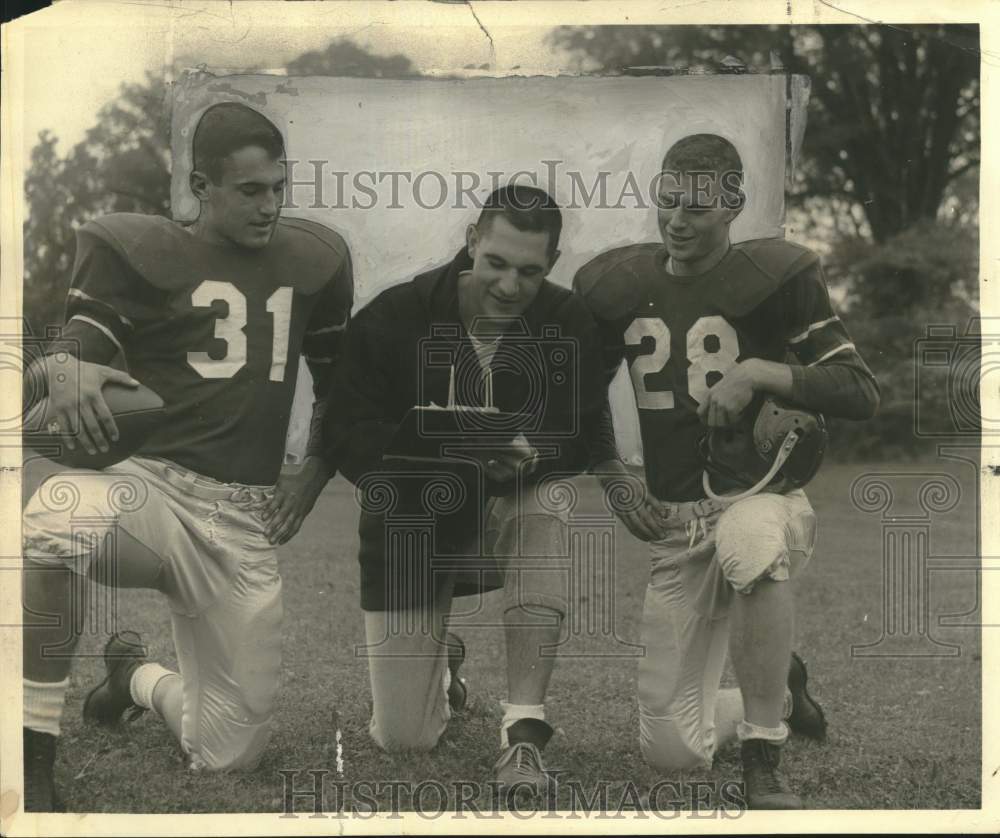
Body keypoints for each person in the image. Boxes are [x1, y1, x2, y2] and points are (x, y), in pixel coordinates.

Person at [21, 102, 353, 810]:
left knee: (228, 754)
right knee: (56, 517)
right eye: (250, 190)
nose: (269, 206)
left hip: (241, 521)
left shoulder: (316, 262)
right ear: (201, 186)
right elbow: (76, 358)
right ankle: (32, 745)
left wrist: (312, 474)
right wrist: (63, 366)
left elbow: (339, 391)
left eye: (279, 187)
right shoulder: (144, 251)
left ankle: (132, 678)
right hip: (153, 494)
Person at [575, 134, 880, 809]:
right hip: (677, 521)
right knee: (672, 751)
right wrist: (610, 471)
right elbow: (582, 396)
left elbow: (860, 389)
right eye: (668, 201)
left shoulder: (779, 275)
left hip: (761, 496)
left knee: (750, 541)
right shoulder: (617, 283)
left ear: (734, 204)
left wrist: (761, 372)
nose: (677, 220)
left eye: (698, 207)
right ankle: (780, 682)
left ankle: (763, 754)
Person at [324, 184, 606, 797]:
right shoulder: (397, 314)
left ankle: (523, 731)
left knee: (546, 502)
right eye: (497, 263)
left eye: (529, 271)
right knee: (403, 738)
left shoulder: (565, 319)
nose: (509, 285)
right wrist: (441, 457)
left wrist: (532, 454)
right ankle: (443, 667)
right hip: (416, 520)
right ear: (472, 240)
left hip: (504, 513)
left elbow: (582, 433)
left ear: (552, 263)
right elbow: (346, 432)